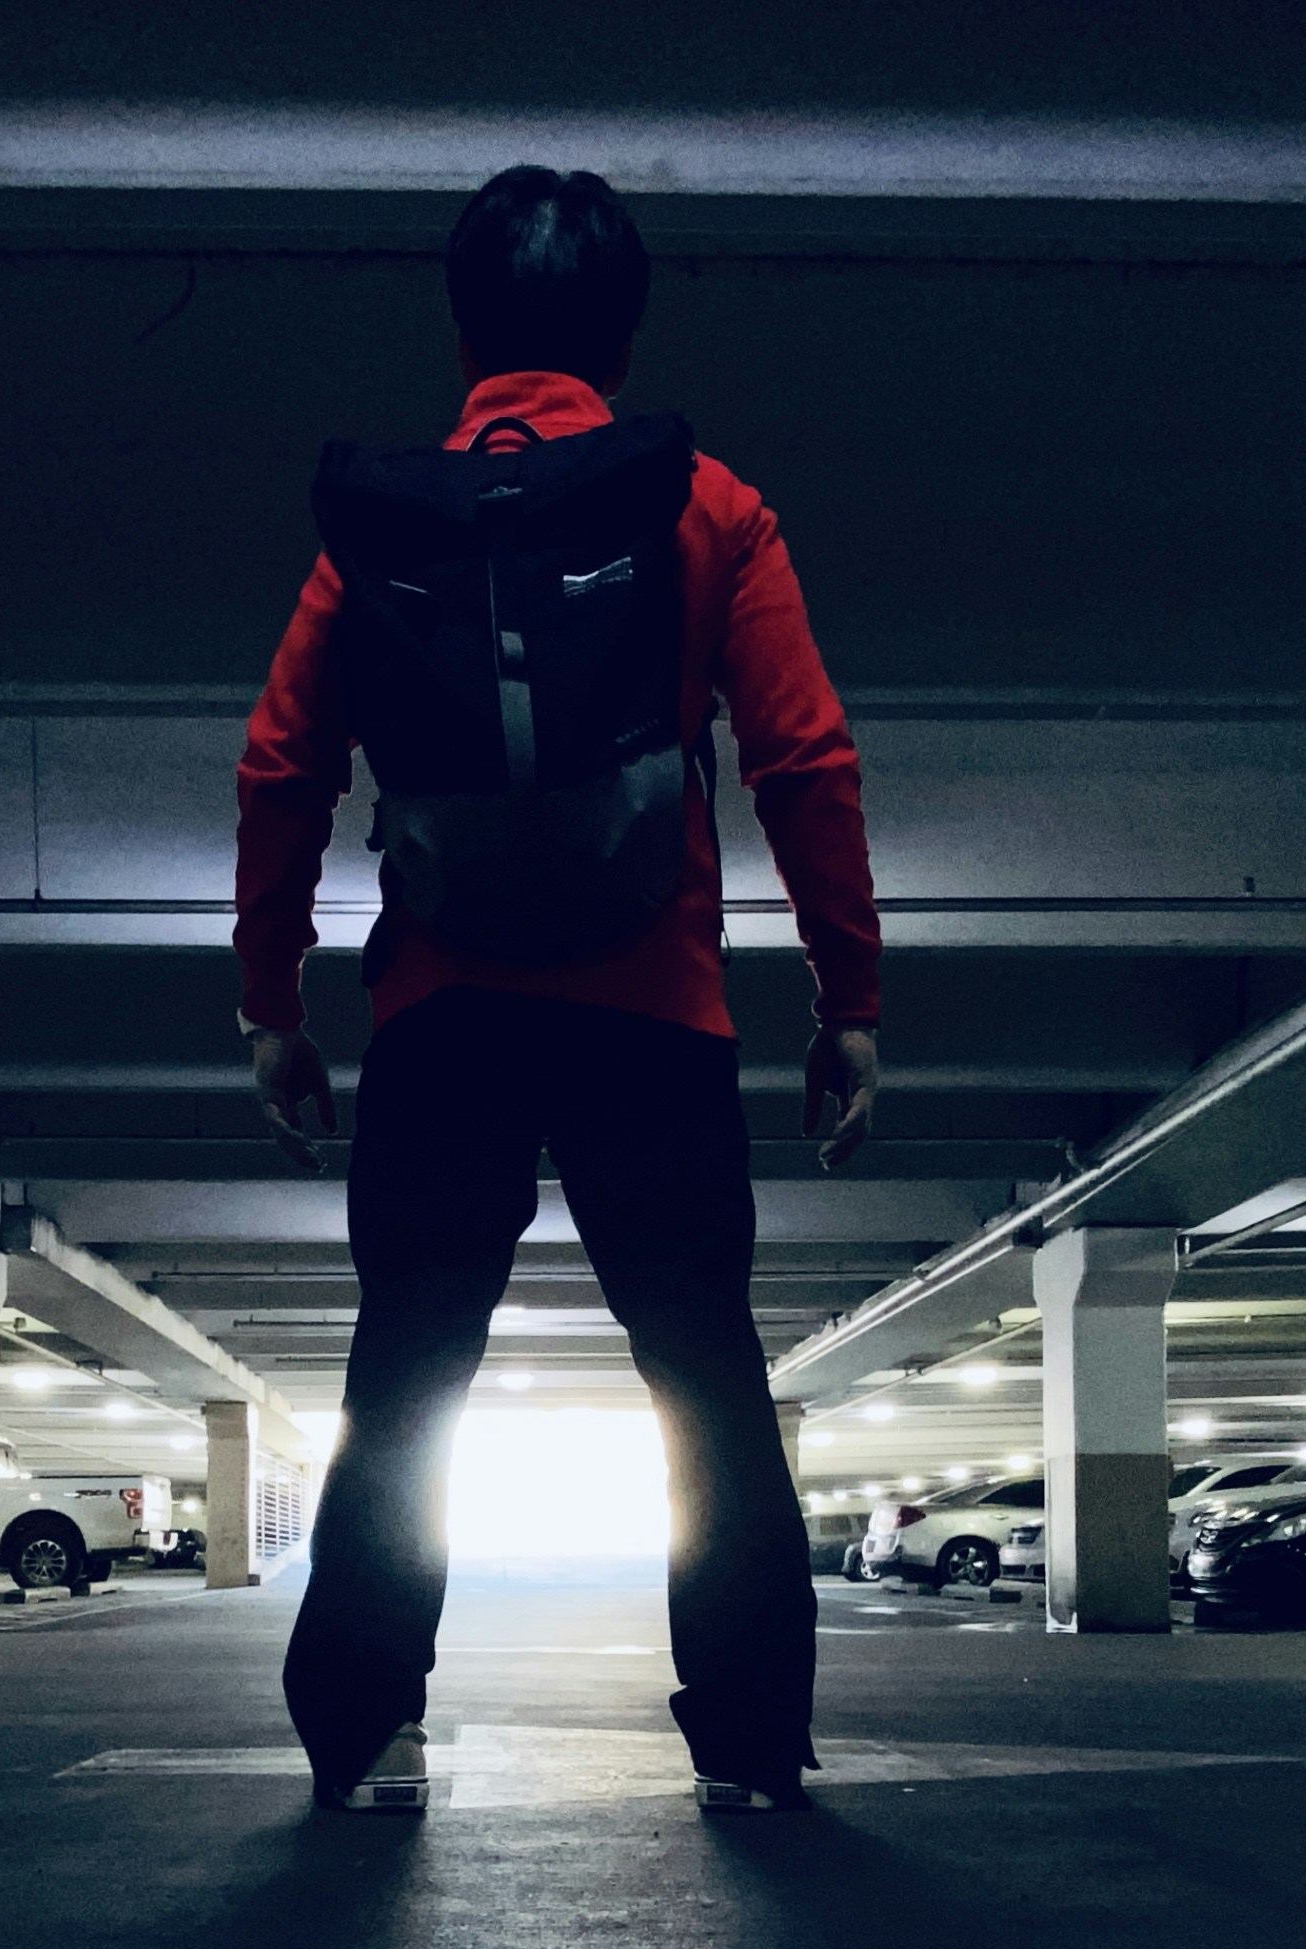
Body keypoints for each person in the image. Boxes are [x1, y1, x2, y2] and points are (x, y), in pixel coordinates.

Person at [232, 165, 884, 1815]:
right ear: (624, 324)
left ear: (465, 328)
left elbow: (281, 767)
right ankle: (749, 1738)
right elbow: (806, 758)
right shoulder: (709, 505)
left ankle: (355, 1726)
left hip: (444, 1013)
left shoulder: (381, 523)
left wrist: (273, 1006)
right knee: (703, 1376)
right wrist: (847, 995)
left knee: (408, 1374)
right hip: (652, 1015)